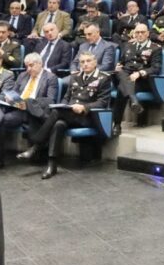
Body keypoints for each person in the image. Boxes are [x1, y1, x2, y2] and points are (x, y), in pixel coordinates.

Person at [19, 51, 112, 180]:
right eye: (82, 62)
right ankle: (52, 165)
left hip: (88, 117)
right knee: (58, 124)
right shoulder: (75, 77)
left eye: (88, 61)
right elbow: (66, 98)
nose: (85, 64)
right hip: (69, 114)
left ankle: (36, 146)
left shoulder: (103, 78)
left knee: (57, 113)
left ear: (95, 62)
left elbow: (103, 102)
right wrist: (63, 105)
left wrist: (84, 107)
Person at [0, 52, 59, 173]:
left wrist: (28, 103)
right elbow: (14, 92)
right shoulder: (23, 76)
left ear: (40, 64)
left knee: (23, 106)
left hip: (34, 112)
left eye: (31, 66)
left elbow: (50, 100)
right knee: (0, 117)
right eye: (26, 66)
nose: (28, 69)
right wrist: (10, 98)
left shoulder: (50, 78)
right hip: (18, 109)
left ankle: (33, 151)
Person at [114, 23, 161, 128]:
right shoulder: (128, 45)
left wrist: (139, 73)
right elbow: (122, 62)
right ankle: (133, 99)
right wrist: (118, 66)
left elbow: (155, 68)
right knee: (121, 74)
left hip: (141, 80)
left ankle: (116, 125)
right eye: (137, 32)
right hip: (125, 74)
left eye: (142, 32)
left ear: (148, 34)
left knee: (121, 89)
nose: (140, 35)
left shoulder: (155, 48)